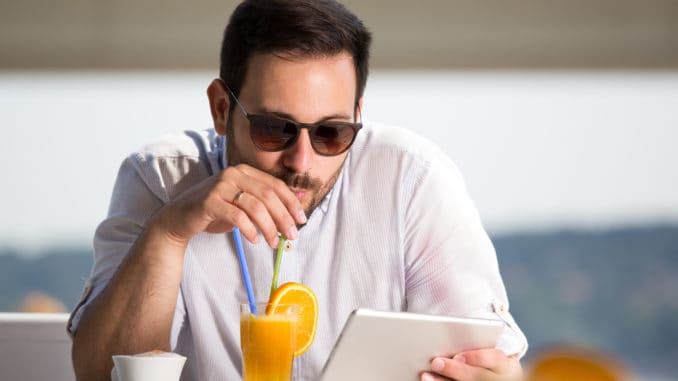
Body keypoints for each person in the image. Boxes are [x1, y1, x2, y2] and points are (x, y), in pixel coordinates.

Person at [69, 1, 527, 380]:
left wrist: (495, 374)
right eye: (274, 129)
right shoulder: (161, 180)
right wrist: (168, 234)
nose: (302, 162)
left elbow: (492, 359)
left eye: (331, 133)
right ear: (222, 108)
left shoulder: (412, 179)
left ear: (358, 114)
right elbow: (97, 372)